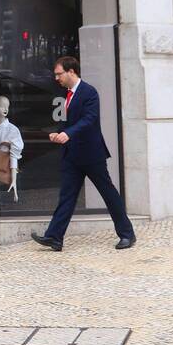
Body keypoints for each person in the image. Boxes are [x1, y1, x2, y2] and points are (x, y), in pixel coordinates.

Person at [32, 56, 137, 252]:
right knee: (67, 196)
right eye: (56, 75)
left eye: (59, 74)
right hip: (72, 156)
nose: (56, 78)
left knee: (108, 193)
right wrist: (58, 132)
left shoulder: (89, 92)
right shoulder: (67, 94)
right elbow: (69, 121)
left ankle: (127, 234)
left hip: (91, 155)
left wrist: (67, 133)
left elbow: (89, 120)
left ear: (71, 71)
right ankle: (55, 237)